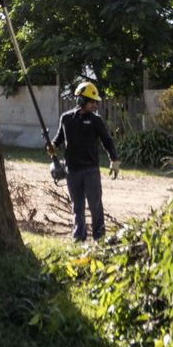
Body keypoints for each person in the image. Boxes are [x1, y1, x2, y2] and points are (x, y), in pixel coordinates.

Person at [50, 81, 120, 242]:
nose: (95, 105)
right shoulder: (66, 118)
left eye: (96, 102)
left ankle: (99, 237)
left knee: (95, 205)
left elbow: (107, 141)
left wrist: (114, 159)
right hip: (72, 170)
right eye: (92, 101)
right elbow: (58, 139)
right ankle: (79, 236)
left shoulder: (96, 120)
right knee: (77, 206)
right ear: (80, 100)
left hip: (91, 170)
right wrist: (52, 146)